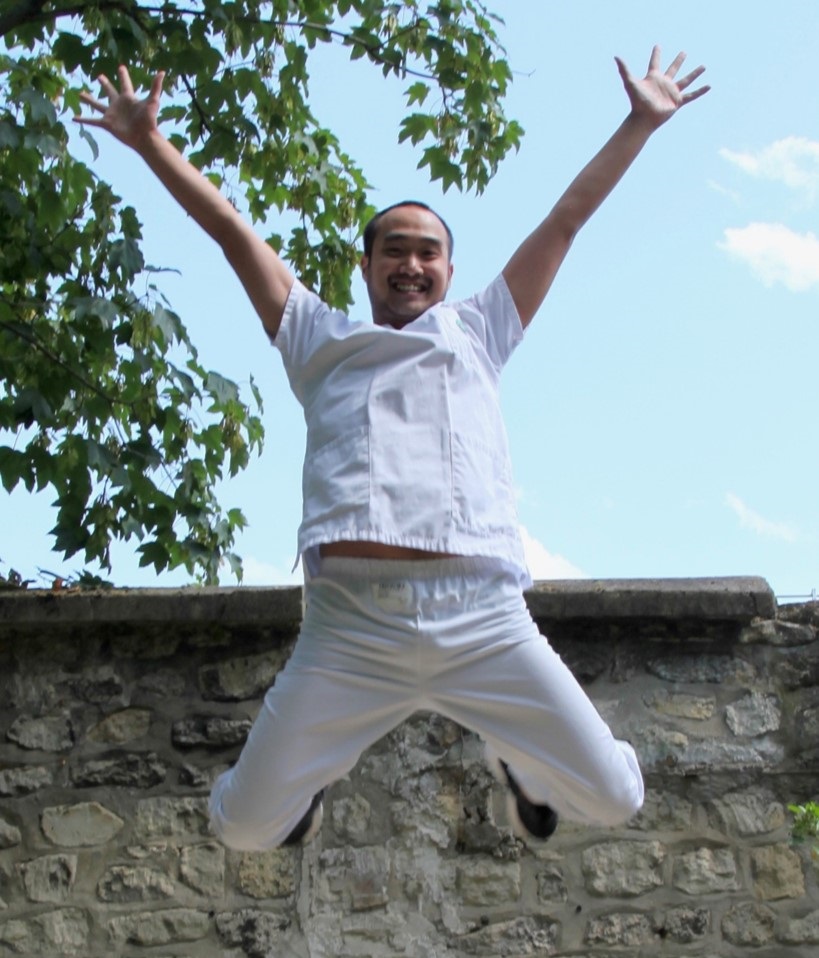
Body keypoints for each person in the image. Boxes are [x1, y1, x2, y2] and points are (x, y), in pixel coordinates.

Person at [76, 46, 709, 849]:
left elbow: (565, 218)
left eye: (427, 251)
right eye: (394, 250)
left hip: (481, 615)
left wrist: (638, 123)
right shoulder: (315, 337)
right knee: (240, 827)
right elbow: (229, 229)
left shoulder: (480, 329)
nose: (411, 263)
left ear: (448, 270)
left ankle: (526, 764)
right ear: (367, 266)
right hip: (348, 626)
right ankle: (304, 787)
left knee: (616, 795)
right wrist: (149, 143)